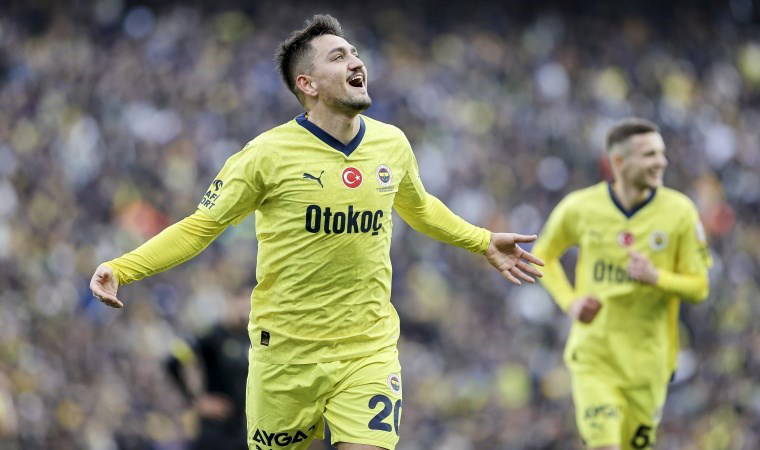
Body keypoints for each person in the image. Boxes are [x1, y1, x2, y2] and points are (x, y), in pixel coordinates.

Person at [90, 14, 543, 450]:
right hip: (286, 356)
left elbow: (420, 207)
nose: (356, 62)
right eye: (338, 57)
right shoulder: (265, 155)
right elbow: (198, 228)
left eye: (355, 53)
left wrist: (482, 240)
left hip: (367, 350)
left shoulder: (391, 144)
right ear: (307, 84)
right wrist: (122, 269)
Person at [532, 118, 712, 450]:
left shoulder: (680, 212)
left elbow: (700, 287)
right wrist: (570, 302)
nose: (661, 162)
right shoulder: (580, 207)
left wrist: (656, 277)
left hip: (648, 365)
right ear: (619, 162)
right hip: (595, 356)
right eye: (649, 154)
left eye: (661, 153)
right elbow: (543, 255)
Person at [164, 292, 250, 450]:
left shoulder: (250, 337)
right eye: (242, 302)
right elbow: (173, 361)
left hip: (242, 428)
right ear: (231, 303)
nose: (245, 308)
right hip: (217, 429)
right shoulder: (212, 336)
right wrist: (196, 400)